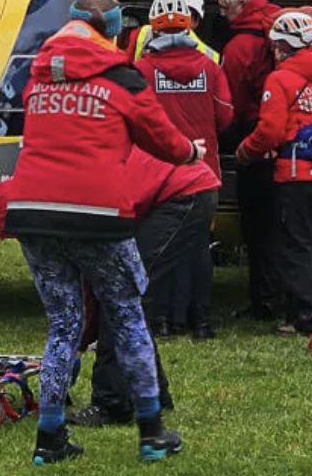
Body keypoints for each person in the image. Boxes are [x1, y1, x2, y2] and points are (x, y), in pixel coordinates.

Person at [0, 0, 202, 465]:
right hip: (98, 216)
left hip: (32, 210)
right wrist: (192, 152)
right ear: (110, 29)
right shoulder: (121, 78)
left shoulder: (38, 77)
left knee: (64, 324)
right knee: (127, 315)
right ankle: (150, 431)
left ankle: (49, 438)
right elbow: (164, 141)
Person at [70, 147, 221, 428]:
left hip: (183, 193)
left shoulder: (78, 204)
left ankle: (111, 403)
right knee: (129, 297)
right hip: (182, 188)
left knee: (121, 296)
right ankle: (155, 392)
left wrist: (77, 344)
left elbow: (94, 287)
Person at [236, 10, 312, 335]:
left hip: (299, 172)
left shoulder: (280, 78)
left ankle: (308, 317)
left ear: (281, 47)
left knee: (296, 246)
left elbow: (270, 131)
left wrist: (246, 150)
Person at [133, 0, 233, 340]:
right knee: (198, 248)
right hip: (205, 173)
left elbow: (135, 120)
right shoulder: (210, 65)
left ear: (155, 29)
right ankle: (201, 322)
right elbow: (226, 116)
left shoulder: (142, 69)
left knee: (158, 249)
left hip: (156, 173)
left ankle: (160, 320)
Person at [214, 0, 283, 321]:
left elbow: (233, 103)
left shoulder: (240, 46)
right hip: (287, 147)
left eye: (225, 7)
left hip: (256, 142)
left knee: (258, 228)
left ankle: (265, 302)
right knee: (283, 228)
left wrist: (227, 137)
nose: (222, 15)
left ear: (242, 5)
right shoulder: (276, 26)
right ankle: (283, 297)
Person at [126, 0, 221, 63]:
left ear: (196, 22)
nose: (178, 19)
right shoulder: (142, 34)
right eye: (177, 11)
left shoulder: (211, 58)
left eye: (186, 15)